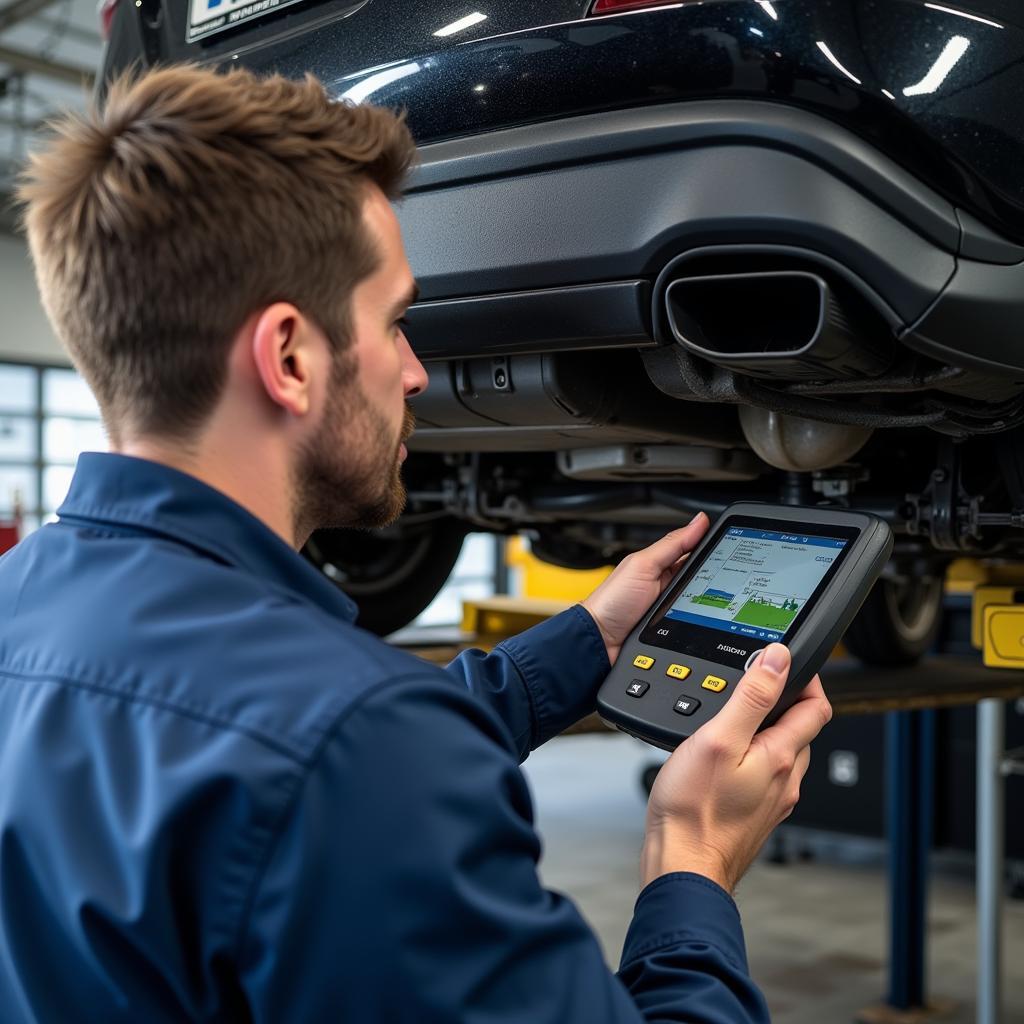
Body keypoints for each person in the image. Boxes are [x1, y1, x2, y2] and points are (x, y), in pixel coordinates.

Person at [1, 64, 831, 1022]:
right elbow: (333, 748)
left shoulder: (27, 602)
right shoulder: (357, 749)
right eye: (395, 322)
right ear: (288, 357)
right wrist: (693, 863)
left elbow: (275, 741)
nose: (414, 372)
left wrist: (585, 642)